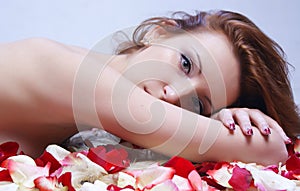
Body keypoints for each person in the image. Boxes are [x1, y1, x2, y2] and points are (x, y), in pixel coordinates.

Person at [0, 10, 299, 166]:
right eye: (185, 63)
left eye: (200, 103)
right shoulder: (70, 73)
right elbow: (273, 148)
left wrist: (226, 118)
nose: (174, 95)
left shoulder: (91, 120)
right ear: (159, 32)